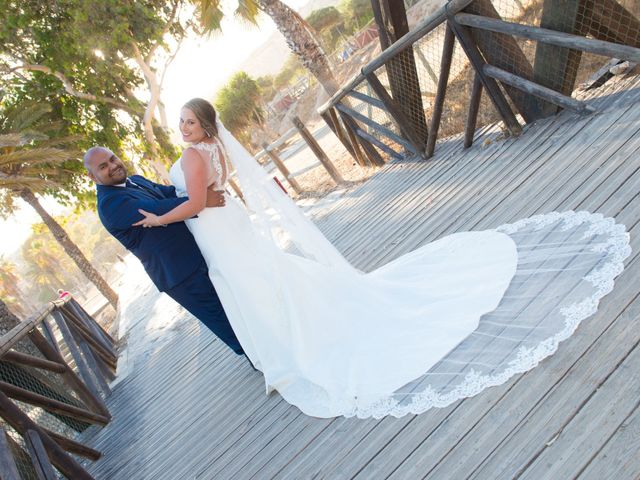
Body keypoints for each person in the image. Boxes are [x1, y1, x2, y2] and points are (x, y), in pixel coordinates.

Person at [133, 98, 630, 419]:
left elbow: (198, 202)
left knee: (258, 284)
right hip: (228, 228)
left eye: (190, 122)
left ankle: (291, 344)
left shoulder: (197, 154)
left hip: (220, 231)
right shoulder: (213, 148)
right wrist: (198, 202)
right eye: (180, 122)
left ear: (205, 125)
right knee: (266, 280)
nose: (183, 128)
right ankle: (287, 335)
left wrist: (158, 221)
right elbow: (214, 195)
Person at [83, 146, 245, 357]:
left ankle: (270, 354)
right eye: (103, 167)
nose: (113, 166)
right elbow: (159, 208)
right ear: (92, 176)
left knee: (240, 310)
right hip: (181, 275)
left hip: (201, 255)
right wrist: (202, 201)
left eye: (113, 159)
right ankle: (264, 367)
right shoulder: (110, 205)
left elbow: (171, 193)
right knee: (227, 324)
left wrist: (200, 189)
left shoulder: (137, 180)